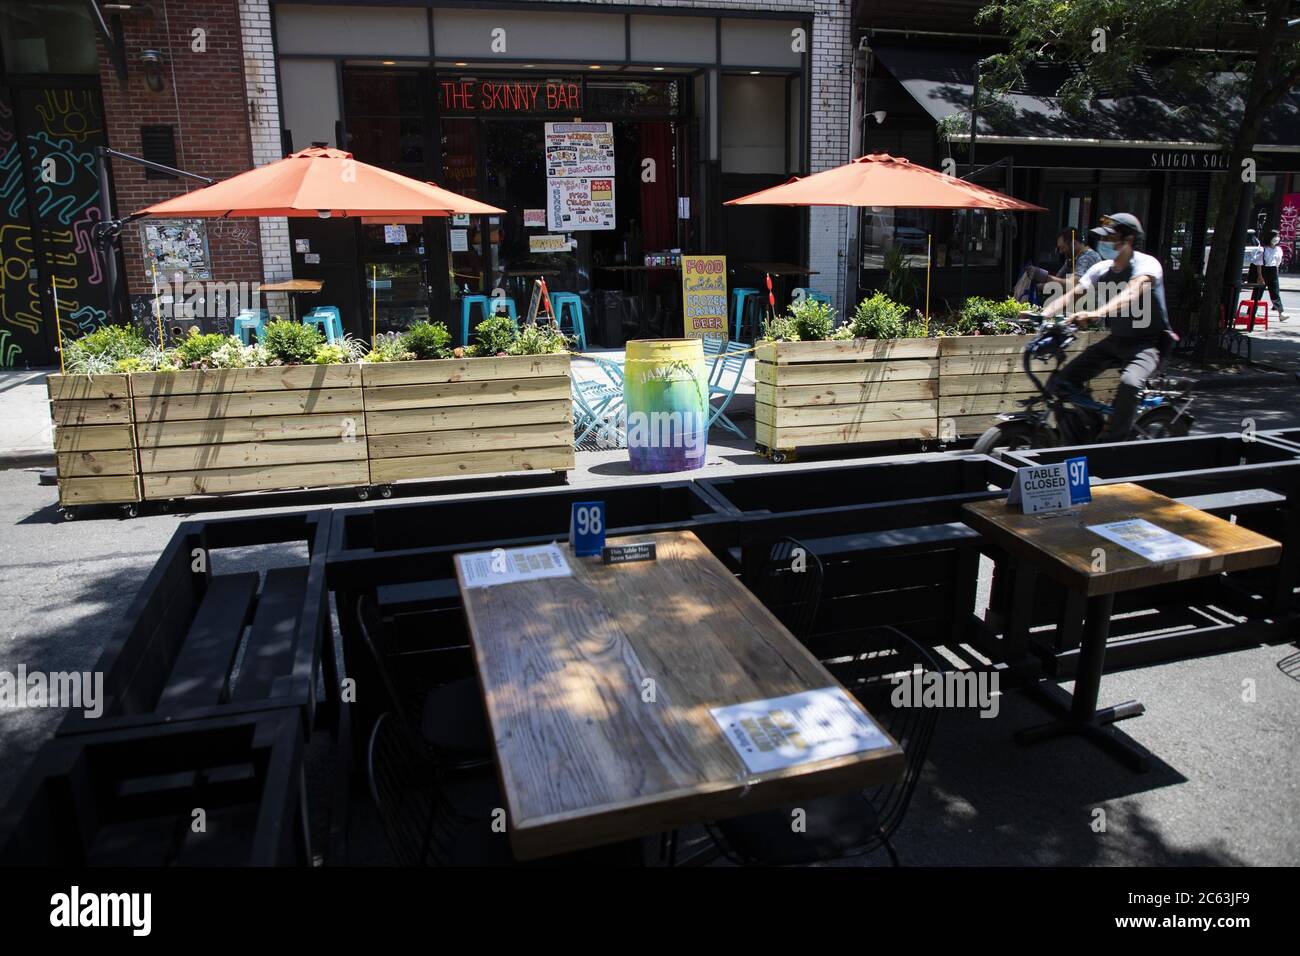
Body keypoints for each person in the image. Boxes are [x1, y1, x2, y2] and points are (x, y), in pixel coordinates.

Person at [1039, 213, 1170, 442]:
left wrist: (1096, 313)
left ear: (1128, 240)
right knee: (1063, 382)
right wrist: (1043, 315)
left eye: (1110, 238)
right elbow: (1073, 294)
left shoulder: (1146, 265)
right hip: (1117, 340)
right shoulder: (1101, 269)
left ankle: (1113, 444)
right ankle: (1091, 430)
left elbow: (1132, 292)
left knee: (1129, 384)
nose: (1104, 243)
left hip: (1148, 344)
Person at [1021, 227, 1102, 299]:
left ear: (1073, 244)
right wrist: (1033, 287)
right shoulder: (1072, 258)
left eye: (1062, 248)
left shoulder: (1087, 257)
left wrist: (1042, 275)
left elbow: (1073, 285)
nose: (1061, 252)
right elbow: (1056, 281)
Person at [1262, 228, 1288, 322]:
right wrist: (1260, 276)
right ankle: (1251, 311)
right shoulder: (1263, 249)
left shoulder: (1278, 249)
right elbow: (1259, 263)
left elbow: (1277, 263)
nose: (1277, 238)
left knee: (1275, 293)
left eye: (1278, 236)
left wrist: (1276, 274)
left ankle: (1281, 313)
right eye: (1275, 236)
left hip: (1273, 270)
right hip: (1264, 270)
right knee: (1258, 292)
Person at [1243, 228, 1267, 330]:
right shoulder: (1260, 247)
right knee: (1257, 294)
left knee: (1258, 294)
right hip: (1261, 274)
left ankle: (1252, 313)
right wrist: (1260, 275)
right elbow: (1258, 264)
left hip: (1267, 273)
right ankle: (1251, 314)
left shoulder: (1257, 242)